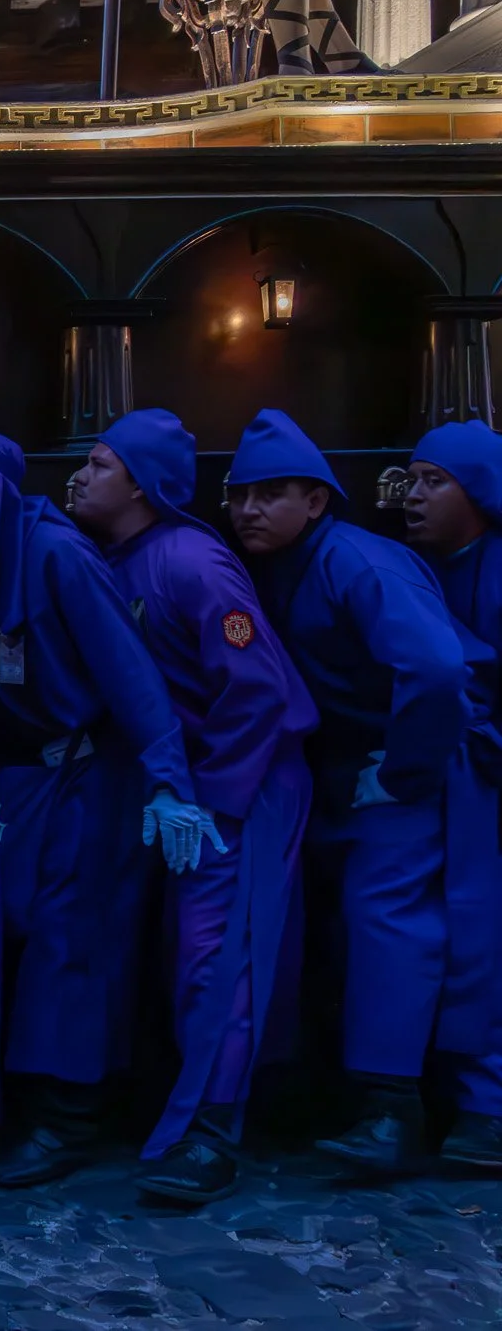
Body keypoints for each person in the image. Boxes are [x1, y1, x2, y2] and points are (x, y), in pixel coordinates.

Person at [0, 428, 201, 1187]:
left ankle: (68, 1117)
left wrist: (169, 782)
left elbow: (130, 676)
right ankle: (17, 1102)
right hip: (24, 777)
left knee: (73, 942)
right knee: (15, 928)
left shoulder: (56, 554)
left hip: (92, 776)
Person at [228, 409, 498, 1177]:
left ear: (315, 501)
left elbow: (440, 673)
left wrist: (405, 770)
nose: (249, 509)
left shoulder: (357, 560)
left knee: (394, 929)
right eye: (239, 495)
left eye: (271, 493)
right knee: (358, 932)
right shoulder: (276, 564)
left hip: (406, 765)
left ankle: (393, 1113)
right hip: (347, 770)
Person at [67, 409, 316, 1204]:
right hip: (186, 789)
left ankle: (210, 1133)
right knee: (189, 955)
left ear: (140, 484)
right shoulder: (116, 557)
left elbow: (257, 690)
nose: (81, 475)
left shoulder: (194, 564)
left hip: (237, 786)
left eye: (100, 465)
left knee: (222, 959)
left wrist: (211, 802)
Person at [390, 418, 502, 1170]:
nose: (414, 495)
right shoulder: (413, 566)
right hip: (454, 776)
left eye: (435, 481)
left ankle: (488, 1107)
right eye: (411, 478)